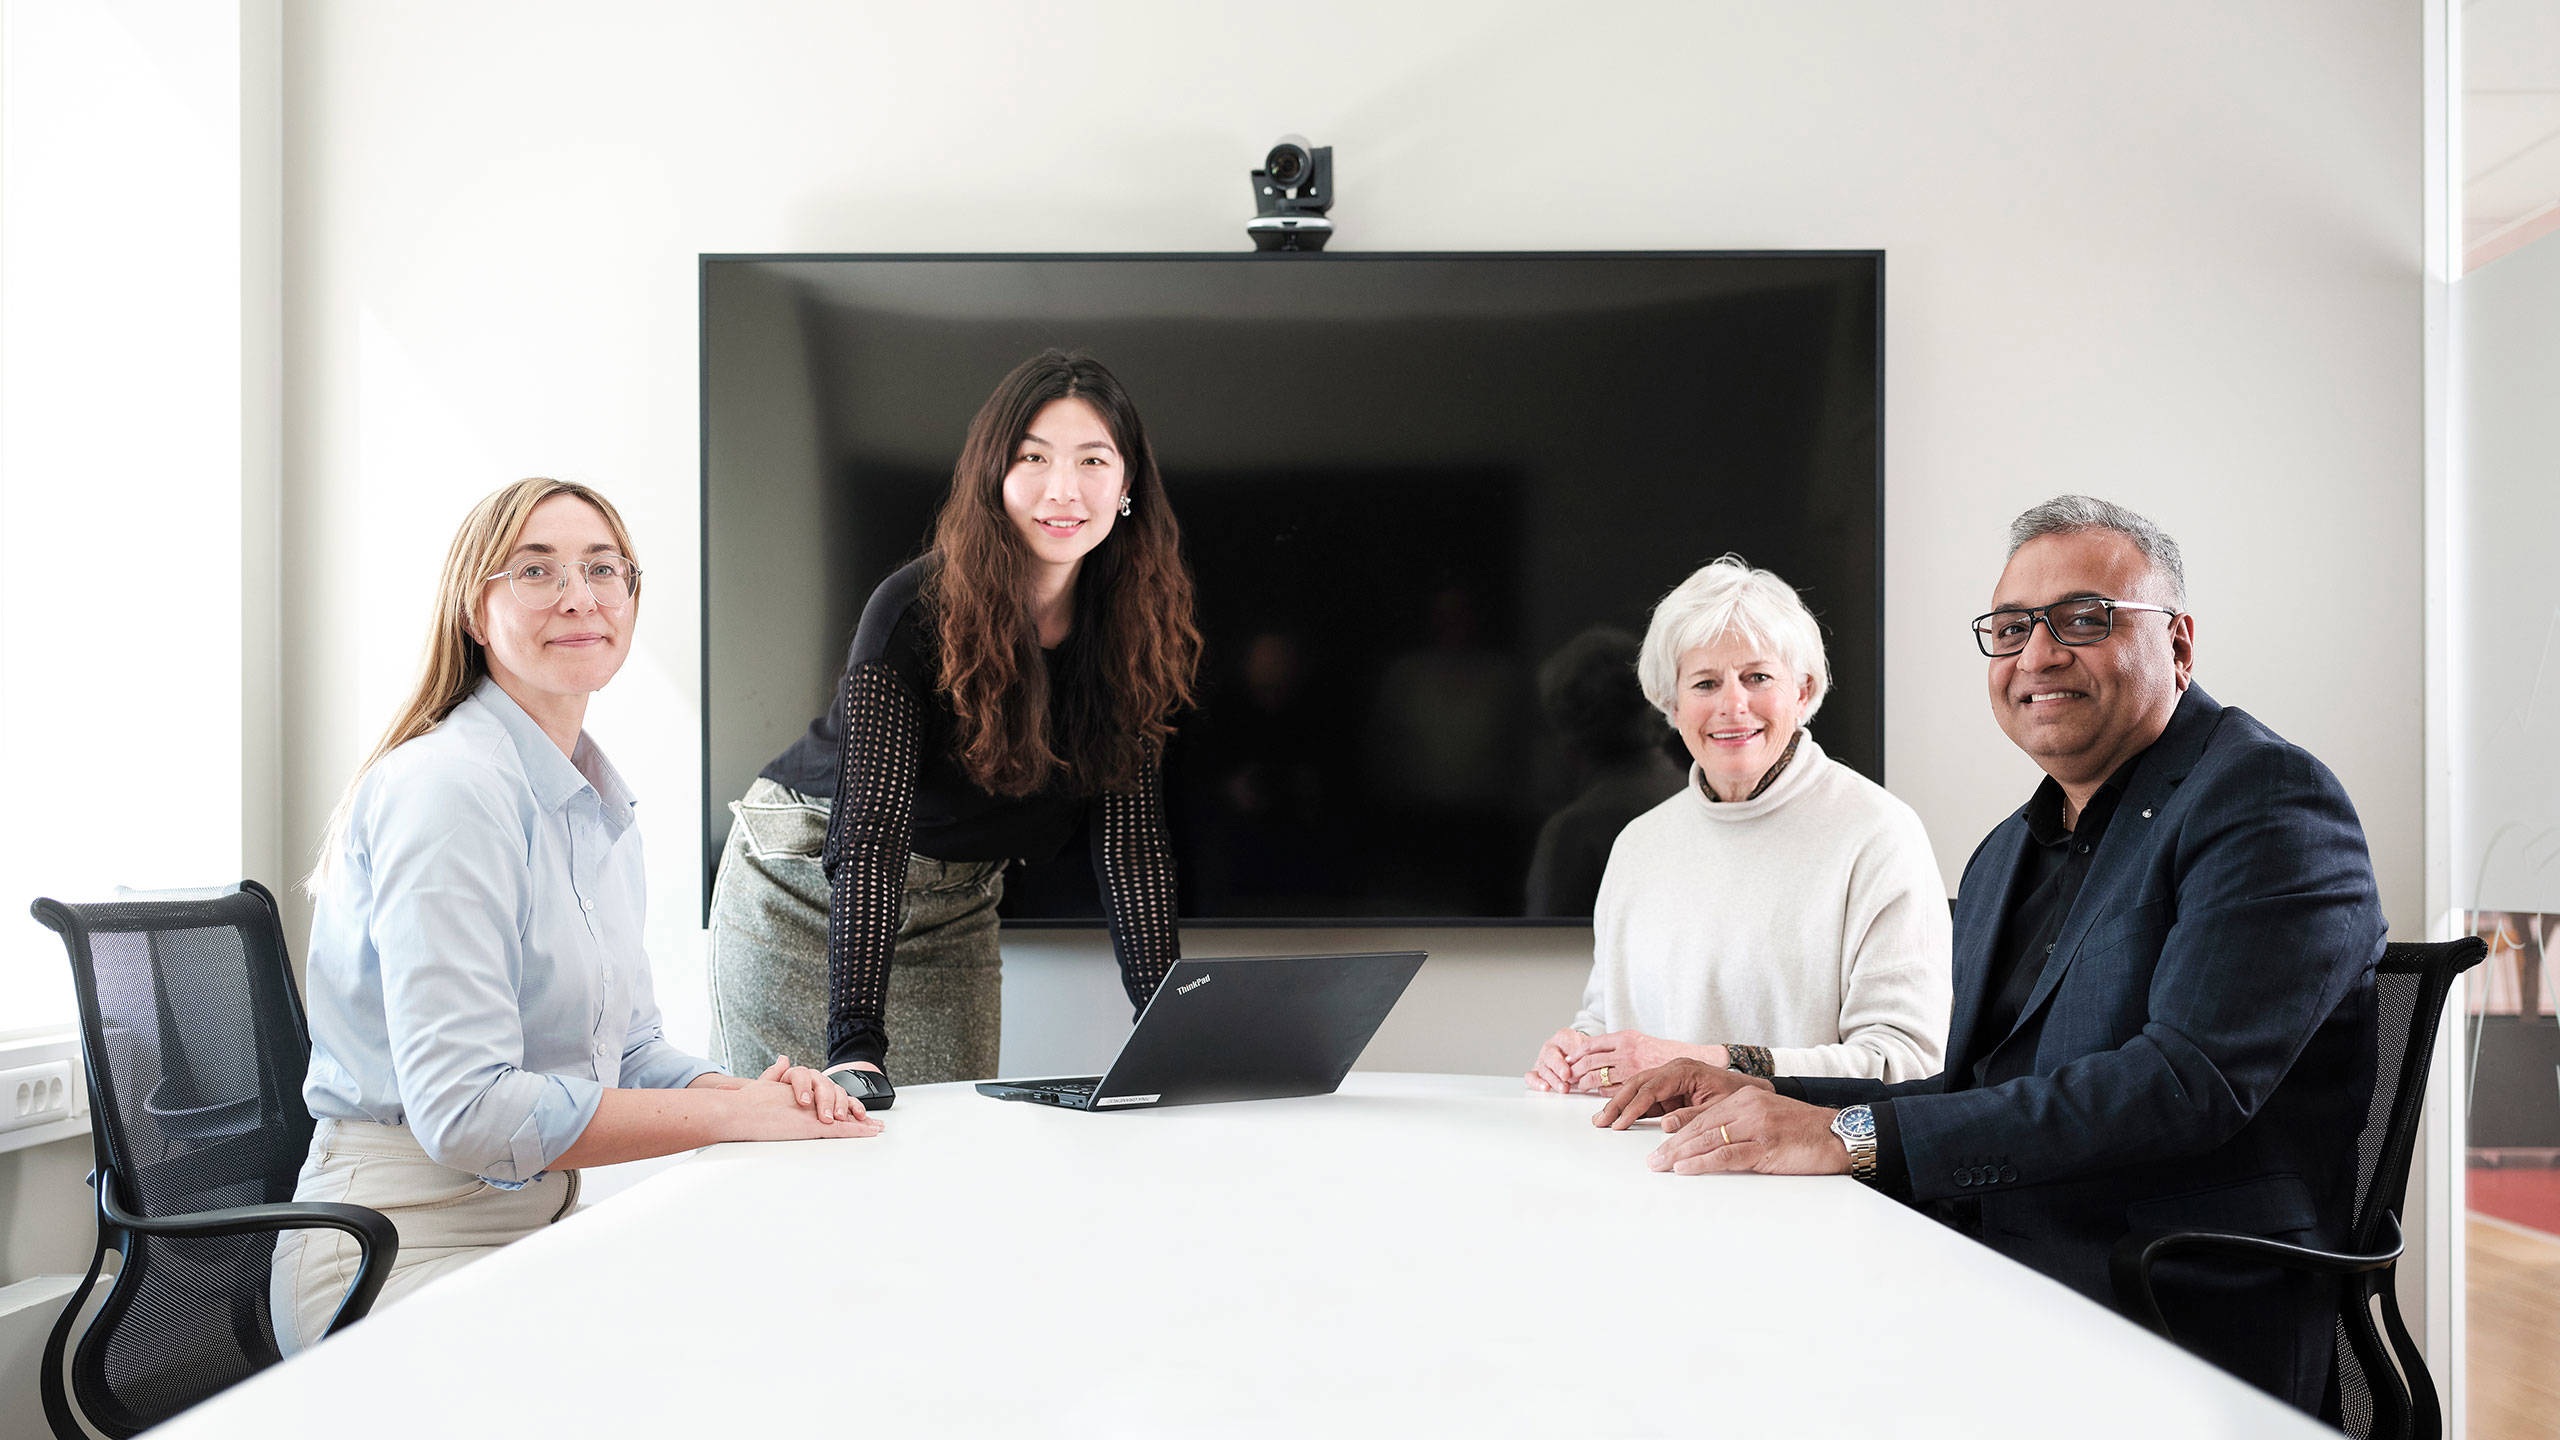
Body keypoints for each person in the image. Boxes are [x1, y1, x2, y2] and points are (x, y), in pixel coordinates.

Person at [1596, 497, 2384, 1417]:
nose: (2039, 655)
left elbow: (2181, 1084)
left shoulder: (2265, 800)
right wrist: (1768, 1096)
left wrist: (1847, 1137)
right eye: (2011, 629)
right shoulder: (2010, 849)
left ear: (2179, 642)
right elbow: (1974, 1091)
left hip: (2169, 1309)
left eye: (2084, 619)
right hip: (1990, 1270)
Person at [276, 478, 876, 1355]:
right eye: (534, 570)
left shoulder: (591, 802)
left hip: (533, 1235)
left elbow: (627, 1052)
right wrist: (729, 1119)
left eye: (604, 569)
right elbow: (466, 1109)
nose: (578, 596)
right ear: (474, 612)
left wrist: (751, 1094)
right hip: (397, 1253)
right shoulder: (449, 789)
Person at [710, 350, 1200, 1093]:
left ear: (1127, 484)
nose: (1063, 488)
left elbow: (1129, 843)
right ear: (993, 476)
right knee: (789, 1153)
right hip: (809, 881)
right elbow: (870, 833)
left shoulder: (1133, 623)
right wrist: (854, 1046)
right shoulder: (913, 610)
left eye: (1092, 460)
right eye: (1033, 456)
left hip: (955, 904)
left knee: (950, 1161)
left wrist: (1172, 1026)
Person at [1526, 557, 1949, 1092]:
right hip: (1642, 1165)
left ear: (1802, 692)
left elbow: (1904, 1062)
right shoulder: (1638, 845)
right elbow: (1611, 1024)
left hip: (1799, 1174)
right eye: (1704, 683)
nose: (1732, 705)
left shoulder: (1879, 834)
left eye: (1758, 677)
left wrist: (1701, 1064)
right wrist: (1578, 1052)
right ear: (1670, 704)